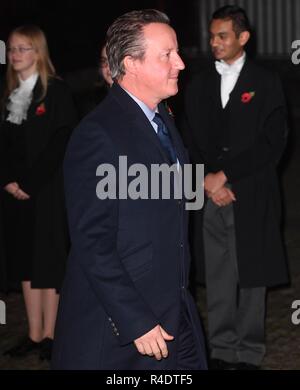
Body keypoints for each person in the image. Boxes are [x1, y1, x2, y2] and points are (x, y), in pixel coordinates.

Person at [51, 9, 207, 370]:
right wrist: (135, 320)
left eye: (177, 52)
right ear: (130, 64)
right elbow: (92, 241)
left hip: (175, 311)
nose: (180, 63)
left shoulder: (163, 119)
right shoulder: (97, 134)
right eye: (166, 55)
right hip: (123, 330)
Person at [183, 5, 289, 370]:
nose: (214, 42)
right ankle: (222, 349)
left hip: (251, 191)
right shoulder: (197, 83)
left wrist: (226, 175)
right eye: (211, 36)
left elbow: (273, 141)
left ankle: (249, 352)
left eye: (222, 35)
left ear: (243, 38)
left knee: (251, 273)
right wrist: (207, 181)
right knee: (218, 274)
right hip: (209, 194)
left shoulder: (266, 81)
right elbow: (189, 138)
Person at [0, 25, 77, 360]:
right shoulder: (7, 94)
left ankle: (51, 334)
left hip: (46, 191)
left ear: (38, 53)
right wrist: (8, 179)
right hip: (14, 194)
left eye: (23, 49)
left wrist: (30, 183)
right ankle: (33, 333)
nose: (15, 55)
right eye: (12, 49)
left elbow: (61, 142)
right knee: (26, 264)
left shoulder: (56, 92)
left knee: (48, 262)